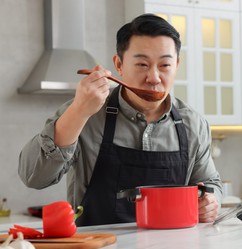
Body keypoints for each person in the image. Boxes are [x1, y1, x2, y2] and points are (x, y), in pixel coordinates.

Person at [18, 13, 222, 226]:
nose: (153, 78)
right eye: (142, 64)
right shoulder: (85, 111)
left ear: (177, 65)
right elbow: (33, 177)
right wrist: (78, 111)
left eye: (164, 65)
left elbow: (210, 183)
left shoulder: (193, 124)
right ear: (119, 64)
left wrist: (211, 201)